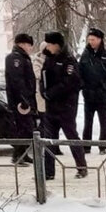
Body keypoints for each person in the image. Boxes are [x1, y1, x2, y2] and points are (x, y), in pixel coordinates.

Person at [39, 32, 88, 180]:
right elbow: (43, 78)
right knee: (49, 139)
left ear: (57, 45)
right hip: (51, 106)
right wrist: (43, 91)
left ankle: (81, 167)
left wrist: (52, 92)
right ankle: (48, 172)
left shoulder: (69, 61)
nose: (47, 47)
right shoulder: (48, 59)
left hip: (66, 106)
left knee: (71, 136)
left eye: (50, 44)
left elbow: (70, 82)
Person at [79, 27, 106, 153]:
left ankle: (102, 146)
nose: (91, 42)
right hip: (89, 94)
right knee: (88, 121)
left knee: (103, 121)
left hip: (102, 95)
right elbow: (79, 73)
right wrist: (84, 87)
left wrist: (105, 86)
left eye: (93, 39)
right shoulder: (85, 55)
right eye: (89, 39)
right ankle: (86, 146)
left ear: (99, 40)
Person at [3, 34, 38, 165]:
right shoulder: (15, 59)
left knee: (27, 128)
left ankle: (22, 153)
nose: (30, 48)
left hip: (26, 99)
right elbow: (17, 81)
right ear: (22, 44)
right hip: (20, 102)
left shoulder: (22, 58)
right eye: (29, 45)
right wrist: (23, 100)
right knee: (23, 128)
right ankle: (17, 155)